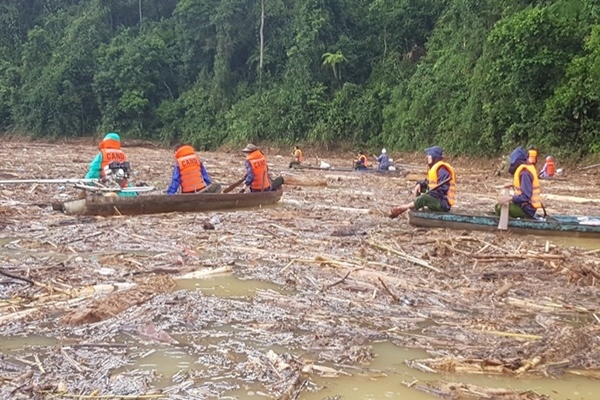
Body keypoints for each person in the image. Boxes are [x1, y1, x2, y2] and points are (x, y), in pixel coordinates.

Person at [390, 146, 456, 218]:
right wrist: (420, 185)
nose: (427, 157)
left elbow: (443, 190)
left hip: (443, 204)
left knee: (424, 198)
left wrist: (430, 194)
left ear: (434, 157)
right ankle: (416, 207)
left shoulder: (442, 171)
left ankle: (403, 208)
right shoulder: (434, 169)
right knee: (420, 188)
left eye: (429, 155)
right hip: (437, 198)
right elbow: (427, 182)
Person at [496, 146, 542, 219]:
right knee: (499, 206)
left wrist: (509, 198)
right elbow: (526, 185)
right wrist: (512, 184)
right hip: (525, 206)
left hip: (527, 209)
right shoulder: (524, 171)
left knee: (499, 207)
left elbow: (526, 196)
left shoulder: (524, 173)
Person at [84, 132, 136, 197]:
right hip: (122, 185)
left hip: (107, 184)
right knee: (129, 187)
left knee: (89, 179)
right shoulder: (123, 154)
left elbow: (93, 173)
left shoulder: (102, 154)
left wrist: (87, 182)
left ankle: (110, 195)